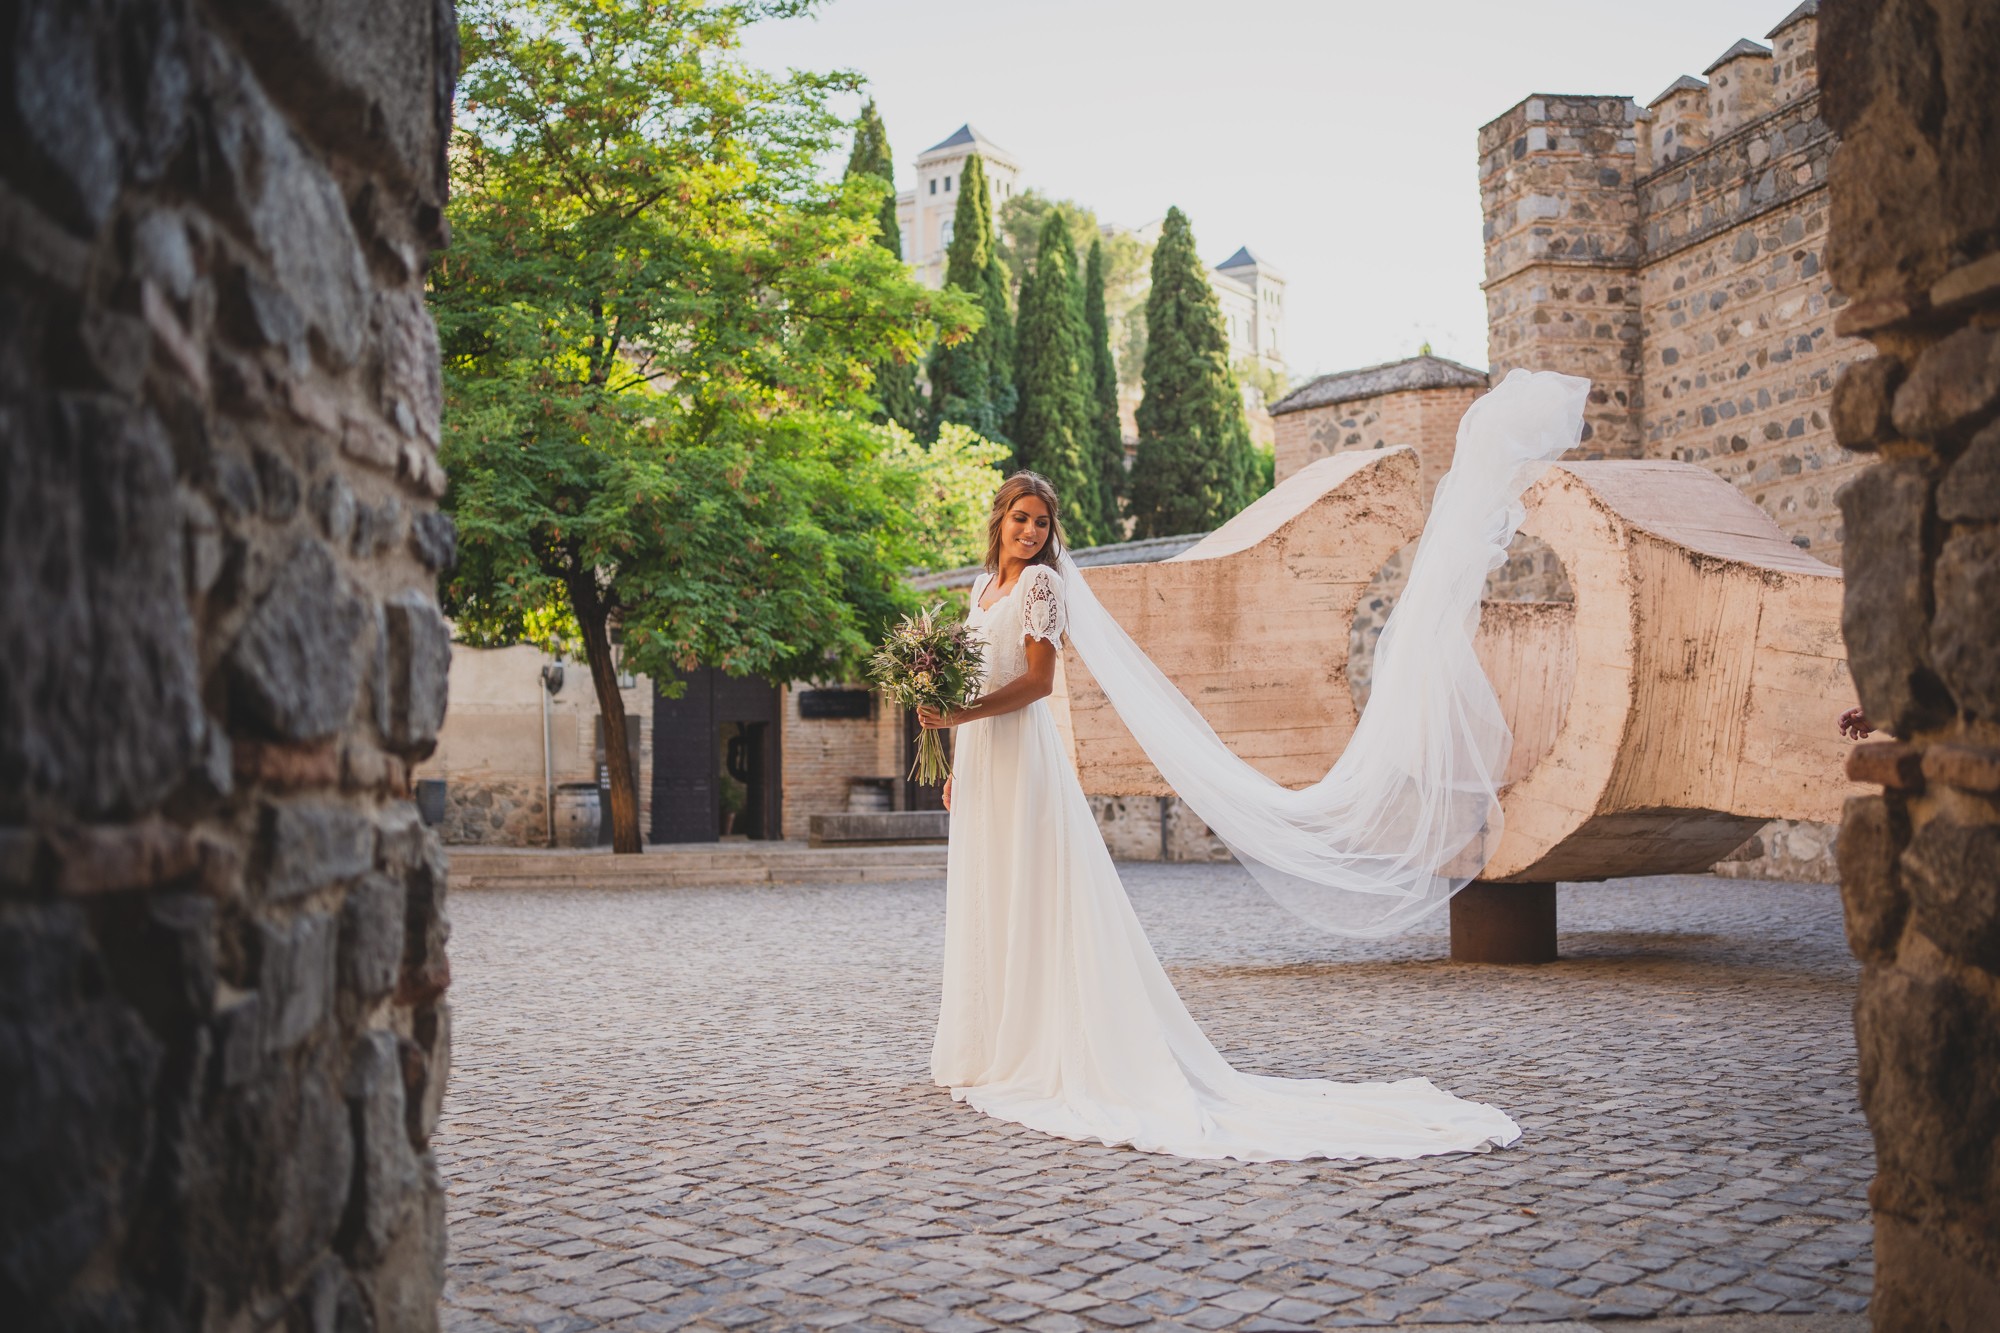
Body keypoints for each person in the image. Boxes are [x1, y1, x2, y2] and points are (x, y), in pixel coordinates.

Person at [915, 471, 1523, 1162]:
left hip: (1022, 756)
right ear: (998, 519)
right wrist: (956, 755)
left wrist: (963, 715)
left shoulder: (1040, 588)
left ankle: (1039, 1045)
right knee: (988, 892)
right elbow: (972, 676)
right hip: (982, 756)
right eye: (1020, 519)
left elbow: (1037, 683)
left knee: (1030, 890)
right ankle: (993, 1040)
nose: (1030, 532)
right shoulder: (980, 588)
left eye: (1042, 524)